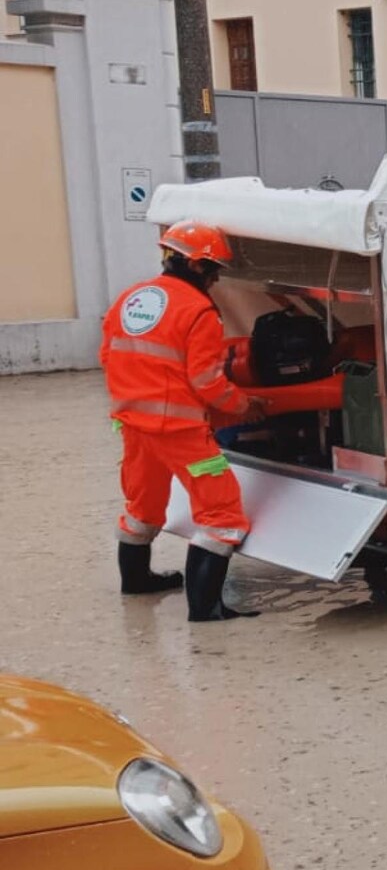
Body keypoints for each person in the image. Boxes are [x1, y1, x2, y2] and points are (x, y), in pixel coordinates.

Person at [101, 222, 268, 619]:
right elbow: (208, 382)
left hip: (132, 425)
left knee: (142, 506)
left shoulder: (131, 297)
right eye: (213, 270)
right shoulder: (198, 311)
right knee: (222, 514)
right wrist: (245, 405)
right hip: (180, 432)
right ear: (196, 265)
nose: (215, 279)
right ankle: (206, 609)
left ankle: (136, 583)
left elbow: (108, 356)